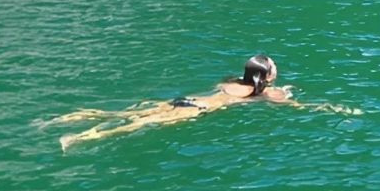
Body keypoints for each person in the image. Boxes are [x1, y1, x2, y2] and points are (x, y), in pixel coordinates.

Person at [47, 55, 358, 150]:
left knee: (128, 112)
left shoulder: (230, 82)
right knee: (136, 125)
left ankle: (61, 119)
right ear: (267, 75)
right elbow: (297, 107)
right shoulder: (263, 94)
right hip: (199, 110)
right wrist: (333, 108)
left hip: (187, 99)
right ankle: (77, 137)